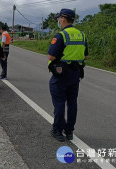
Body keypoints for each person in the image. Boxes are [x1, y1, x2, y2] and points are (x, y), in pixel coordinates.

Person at [47, 9, 88, 142]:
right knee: (72, 103)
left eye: (59, 18)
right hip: (75, 74)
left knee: (59, 103)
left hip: (61, 74)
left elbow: (51, 56)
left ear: (63, 19)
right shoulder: (82, 35)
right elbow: (86, 56)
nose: (58, 20)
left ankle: (57, 130)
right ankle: (69, 131)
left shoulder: (61, 35)